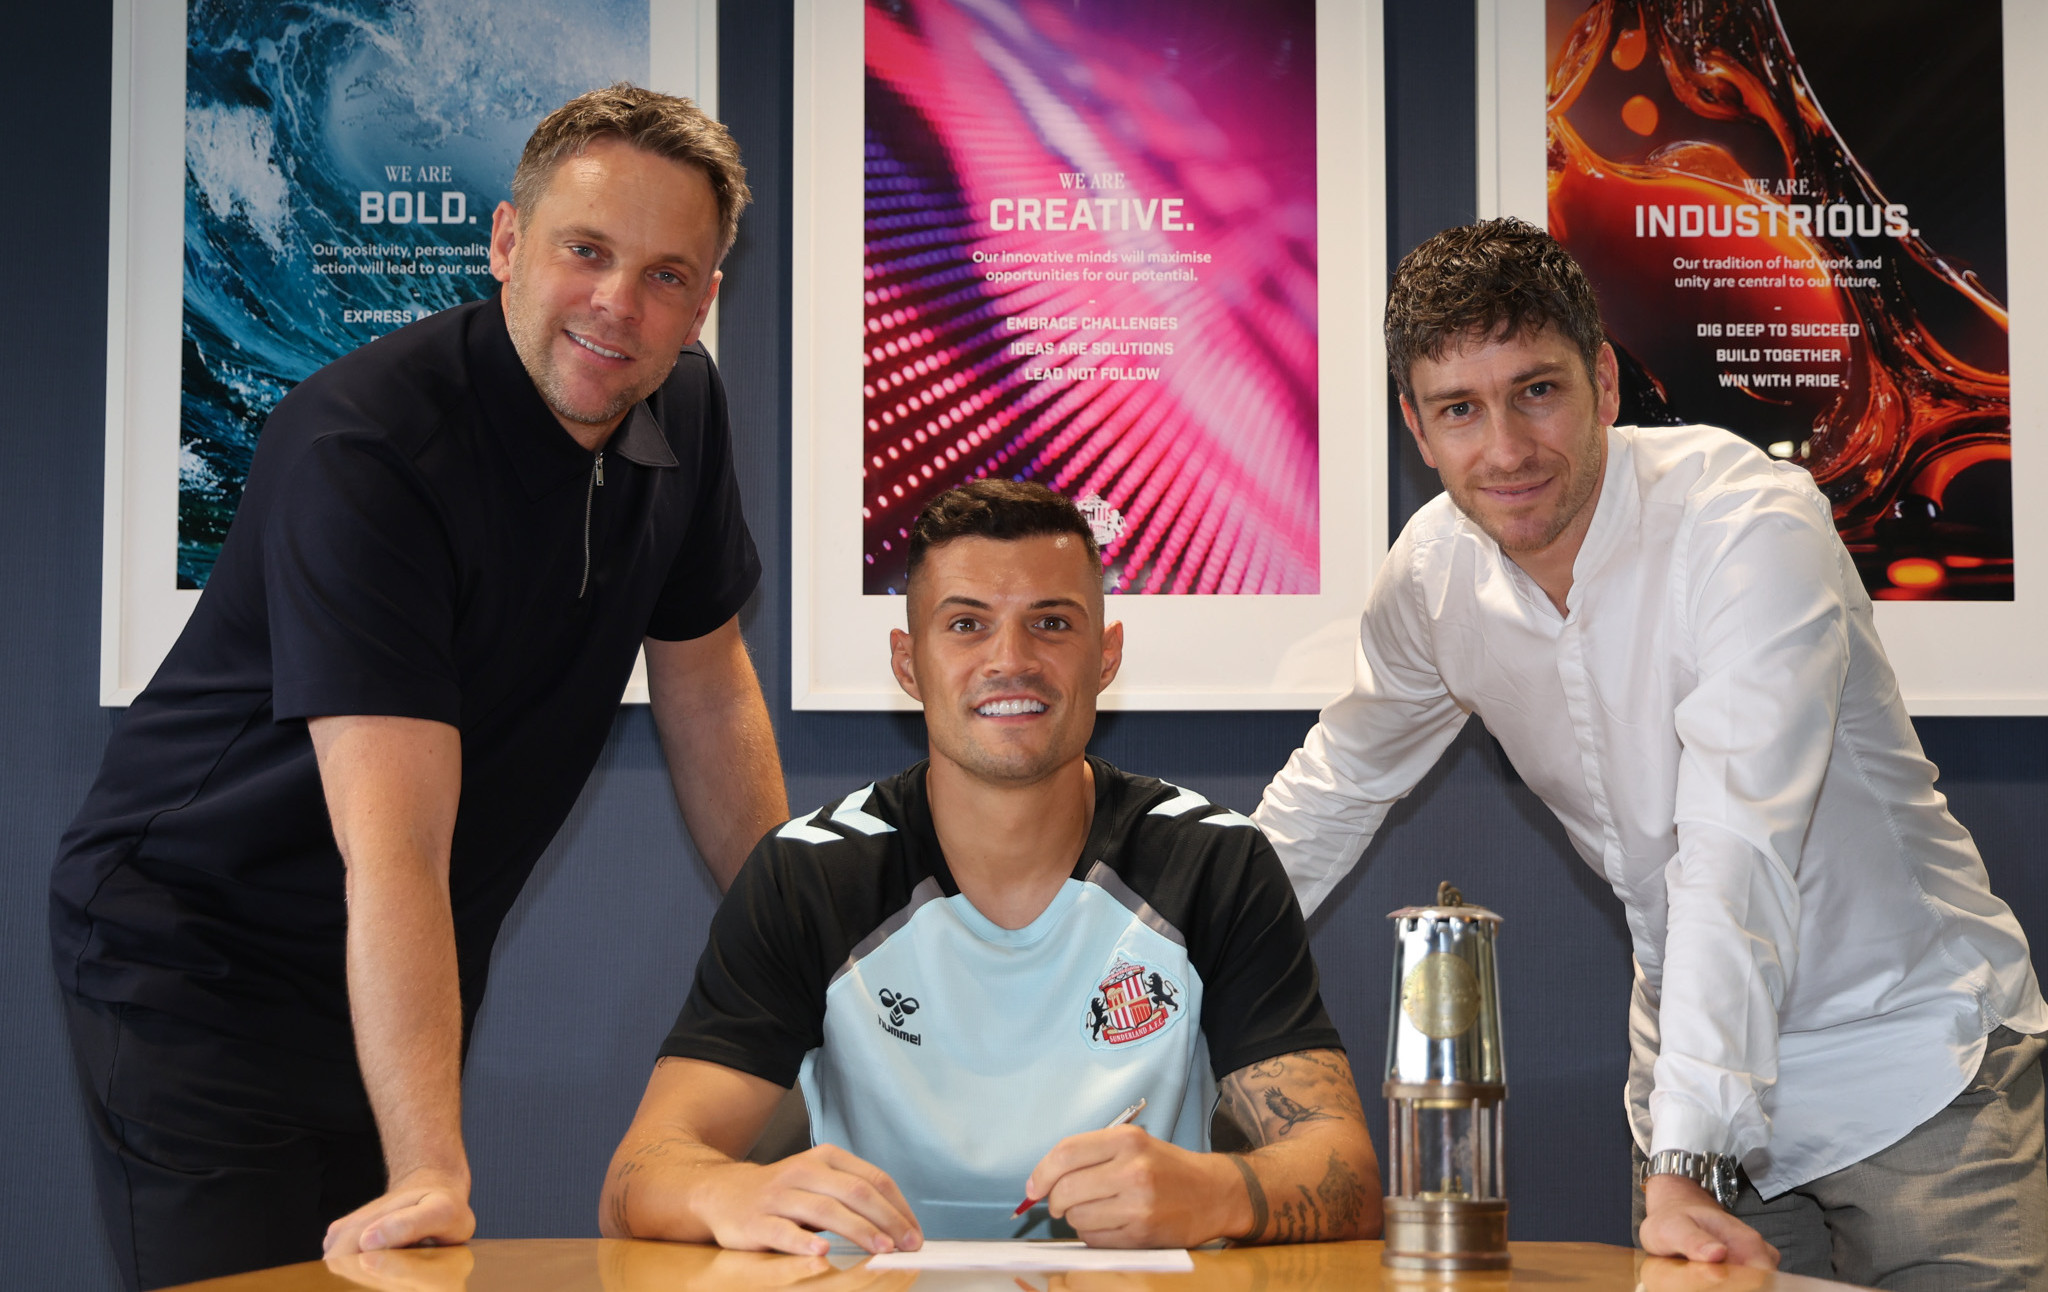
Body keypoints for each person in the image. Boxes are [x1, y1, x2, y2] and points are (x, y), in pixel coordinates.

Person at [49, 83, 788, 1291]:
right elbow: (394, 847)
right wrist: (432, 1172)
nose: (618, 304)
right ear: (506, 243)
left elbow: (707, 693)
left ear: (705, 298)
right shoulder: (368, 449)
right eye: (585, 251)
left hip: (389, 958)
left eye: (665, 275)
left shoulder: (682, 407)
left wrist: (804, 963)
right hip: (195, 949)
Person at [1254, 218, 2047, 1289]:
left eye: (1536, 390)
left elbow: (1732, 845)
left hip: (1913, 1066)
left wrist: (1686, 1160)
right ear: (1417, 426)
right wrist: (1147, 991)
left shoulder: (1746, 523)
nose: (1505, 449)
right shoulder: (1433, 576)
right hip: (1689, 1095)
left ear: (1603, 380)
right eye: (1459, 409)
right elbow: (1334, 788)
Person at [600, 480, 1379, 1252]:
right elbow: (642, 1170)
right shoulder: (806, 873)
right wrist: (733, 1188)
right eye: (967, 624)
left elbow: (1345, 1167)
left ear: (1107, 655)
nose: (1011, 659)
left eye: (1051, 622)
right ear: (908, 663)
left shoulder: (1214, 860)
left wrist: (1216, 1192)